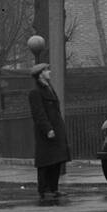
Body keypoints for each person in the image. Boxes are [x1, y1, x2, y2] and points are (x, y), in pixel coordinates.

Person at [28, 62, 70, 203]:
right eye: (46, 70)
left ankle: (54, 188)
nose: (49, 72)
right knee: (45, 161)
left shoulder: (49, 88)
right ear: (40, 74)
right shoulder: (35, 92)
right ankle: (44, 190)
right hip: (46, 132)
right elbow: (39, 114)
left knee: (56, 160)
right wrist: (48, 129)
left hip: (56, 128)